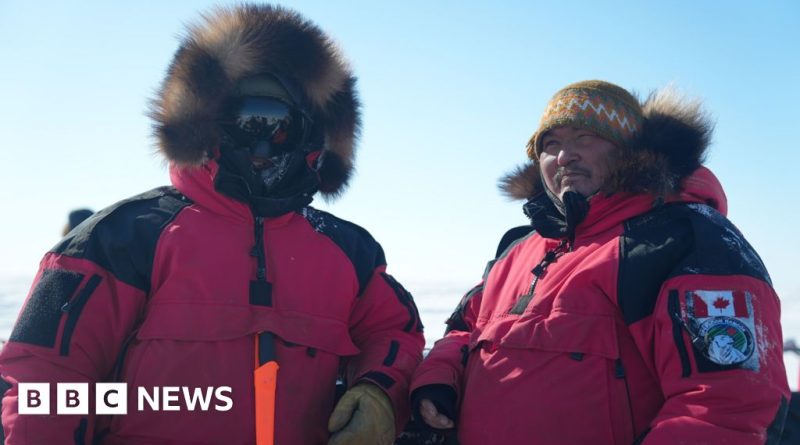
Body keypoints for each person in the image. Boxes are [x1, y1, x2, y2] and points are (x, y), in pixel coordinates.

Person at [0, 4, 424, 445]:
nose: (261, 144)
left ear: (311, 134)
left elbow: (395, 332)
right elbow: (45, 382)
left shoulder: (348, 252)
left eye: (279, 127)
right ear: (206, 124)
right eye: (245, 123)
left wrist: (379, 392)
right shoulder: (120, 239)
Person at [410, 80, 790, 444]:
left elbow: (729, 407)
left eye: (585, 138)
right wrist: (438, 377)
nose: (563, 155)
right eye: (550, 143)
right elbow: (466, 330)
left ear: (628, 150)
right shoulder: (517, 249)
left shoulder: (682, 241)